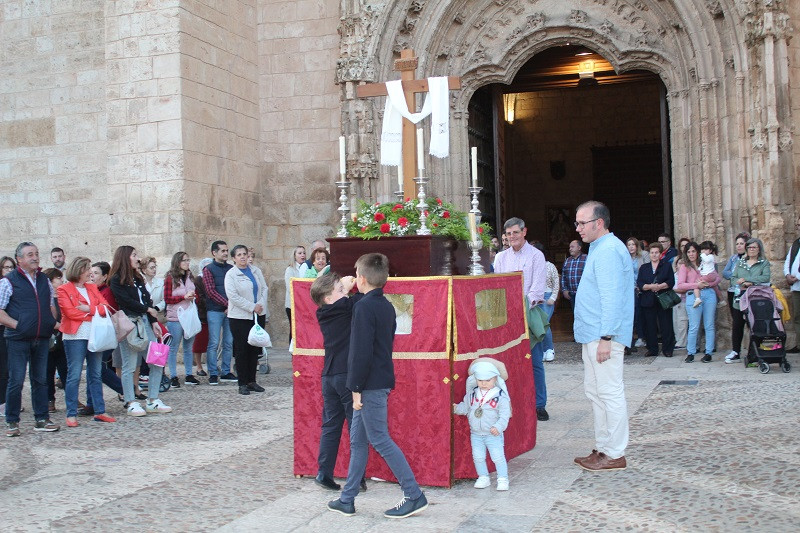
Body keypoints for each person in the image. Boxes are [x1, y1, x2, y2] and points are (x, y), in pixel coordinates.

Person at [327, 253, 428, 519]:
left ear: (360, 278)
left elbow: (360, 352)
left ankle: (414, 494)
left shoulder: (363, 307)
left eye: (355, 274)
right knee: (359, 441)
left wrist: (355, 387)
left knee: (380, 440)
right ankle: (347, 498)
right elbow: (366, 311)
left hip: (368, 384)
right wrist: (353, 293)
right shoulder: (384, 304)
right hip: (378, 380)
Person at [572, 201, 633, 472]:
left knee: (609, 392)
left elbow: (611, 297)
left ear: (599, 223)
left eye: (582, 223)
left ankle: (615, 452)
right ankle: (603, 447)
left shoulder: (608, 250)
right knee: (595, 391)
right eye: (576, 223)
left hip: (603, 334)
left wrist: (607, 337)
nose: (577, 229)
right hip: (593, 333)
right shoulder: (599, 248)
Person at [310, 271, 367, 492]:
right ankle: (357, 478)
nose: (346, 291)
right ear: (327, 298)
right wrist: (352, 286)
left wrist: (343, 289)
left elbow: (349, 300)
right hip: (346, 377)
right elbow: (364, 297)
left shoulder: (324, 312)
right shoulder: (344, 306)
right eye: (339, 290)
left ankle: (324, 472)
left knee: (331, 427)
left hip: (329, 376)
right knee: (356, 427)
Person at [1, 242, 60, 436]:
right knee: (16, 380)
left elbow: (51, 303)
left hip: (41, 338)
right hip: (18, 338)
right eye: (29, 255)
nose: (34, 257)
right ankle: (11, 421)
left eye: (36, 253)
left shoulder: (44, 279)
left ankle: (42, 419)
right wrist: (19, 325)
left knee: (41, 380)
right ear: (19, 259)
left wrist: (50, 322)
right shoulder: (8, 281)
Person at [493, 217, 549, 421]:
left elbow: (537, 289)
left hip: (528, 314)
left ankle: (539, 404)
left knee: (534, 362)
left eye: (515, 232)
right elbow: (497, 287)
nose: (512, 237)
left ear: (524, 232)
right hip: (506, 317)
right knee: (509, 362)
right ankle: (514, 403)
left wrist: (521, 307)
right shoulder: (500, 258)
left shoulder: (536, 256)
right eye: (508, 234)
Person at [109, 245, 171, 416]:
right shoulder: (116, 279)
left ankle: (152, 399)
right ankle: (130, 401)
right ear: (125, 258)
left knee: (156, 360)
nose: (138, 258)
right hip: (129, 323)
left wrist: (153, 321)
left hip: (144, 322)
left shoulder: (138, 277)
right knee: (129, 365)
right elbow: (125, 300)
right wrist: (147, 310)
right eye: (134, 255)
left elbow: (147, 300)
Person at [56, 257, 115, 426]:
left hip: (94, 335)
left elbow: (106, 308)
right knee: (74, 375)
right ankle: (71, 414)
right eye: (88, 268)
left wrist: (89, 309)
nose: (90, 272)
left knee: (95, 373)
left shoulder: (92, 288)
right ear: (79, 270)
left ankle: (100, 410)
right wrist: (94, 314)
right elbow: (70, 313)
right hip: (74, 337)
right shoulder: (63, 289)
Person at [453, 359, 511, 490]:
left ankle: (502, 479)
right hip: (476, 434)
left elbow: (504, 416)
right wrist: (456, 408)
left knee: (498, 457)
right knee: (478, 457)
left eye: (487, 380)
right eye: (480, 380)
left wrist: (498, 427)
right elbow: (466, 407)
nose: (483, 383)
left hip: (493, 433)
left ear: (495, 378)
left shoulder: (500, 397)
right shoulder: (472, 394)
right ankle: (483, 477)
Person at [224, 245, 268, 395]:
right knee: (242, 350)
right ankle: (242, 382)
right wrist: (252, 306)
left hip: (257, 315)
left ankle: (252, 380)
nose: (243, 257)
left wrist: (260, 304)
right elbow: (233, 296)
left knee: (254, 349)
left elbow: (264, 289)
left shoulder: (255, 271)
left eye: (244, 254)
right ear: (234, 258)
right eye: (239, 255)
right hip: (240, 317)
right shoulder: (231, 274)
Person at [727, 238, 772, 362]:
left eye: (754, 247)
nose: (751, 249)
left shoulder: (764, 263)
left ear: (759, 249)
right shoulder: (741, 262)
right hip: (740, 297)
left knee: (755, 324)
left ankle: (756, 351)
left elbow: (766, 277)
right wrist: (738, 281)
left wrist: (750, 281)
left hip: (756, 297)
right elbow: (733, 278)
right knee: (737, 324)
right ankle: (736, 351)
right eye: (749, 247)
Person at [675, 242, 719, 363]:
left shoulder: (706, 263)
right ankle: (691, 352)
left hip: (709, 293)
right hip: (693, 295)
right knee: (694, 326)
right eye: (689, 252)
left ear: (698, 252)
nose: (691, 254)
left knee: (709, 324)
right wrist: (696, 285)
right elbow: (681, 284)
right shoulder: (684, 266)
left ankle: (708, 352)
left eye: (693, 251)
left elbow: (717, 278)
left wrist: (708, 284)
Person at [203, 241, 237, 385]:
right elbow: (211, 291)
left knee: (228, 342)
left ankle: (226, 371)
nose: (225, 253)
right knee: (214, 342)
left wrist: (232, 305)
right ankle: (213, 372)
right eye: (222, 251)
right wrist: (227, 304)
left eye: (226, 250)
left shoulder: (232, 268)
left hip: (230, 311)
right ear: (214, 253)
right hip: (215, 311)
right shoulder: (208, 269)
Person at [163, 251, 199, 388]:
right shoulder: (170, 278)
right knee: (173, 347)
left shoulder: (190, 276)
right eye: (184, 260)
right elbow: (167, 299)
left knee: (188, 347)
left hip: (188, 315)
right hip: (175, 316)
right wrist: (183, 297)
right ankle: (173, 376)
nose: (187, 263)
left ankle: (189, 374)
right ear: (178, 262)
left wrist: (192, 296)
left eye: (188, 260)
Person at [637, 242, 676, 357]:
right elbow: (640, 283)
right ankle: (652, 349)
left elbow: (671, 282)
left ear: (660, 254)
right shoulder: (644, 268)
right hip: (648, 300)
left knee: (666, 325)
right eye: (652, 253)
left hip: (663, 299)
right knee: (650, 326)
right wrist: (650, 287)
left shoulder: (666, 266)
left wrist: (659, 286)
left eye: (656, 253)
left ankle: (668, 349)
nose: (654, 255)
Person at [722, 232, 750, 362]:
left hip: (748, 292)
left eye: (741, 243)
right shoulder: (733, 259)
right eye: (737, 244)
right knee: (737, 322)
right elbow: (725, 273)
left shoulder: (751, 259)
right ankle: (736, 351)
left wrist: (737, 276)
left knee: (751, 322)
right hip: (734, 292)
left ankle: (753, 350)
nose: (739, 246)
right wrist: (735, 276)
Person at [43, 268, 67, 414]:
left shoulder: (63, 296)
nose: (62, 280)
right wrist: (62, 326)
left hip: (63, 338)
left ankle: (71, 398)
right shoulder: (45, 298)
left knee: (65, 370)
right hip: (48, 338)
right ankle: (49, 400)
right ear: (51, 281)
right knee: (48, 371)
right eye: (58, 278)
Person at [533, 242, 558, 362]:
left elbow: (556, 283)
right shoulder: (532, 265)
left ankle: (549, 348)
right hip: (535, 298)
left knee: (545, 324)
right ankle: (542, 349)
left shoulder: (550, 266)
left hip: (547, 296)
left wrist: (553, 297)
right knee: (537, 324)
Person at [191, 258, 212, 377]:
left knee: (212, 342)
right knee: (199, 342)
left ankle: (211, 366)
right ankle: (199, 366)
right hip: (202, 315)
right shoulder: (199, 280)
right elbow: (200, 297)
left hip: (212, 313)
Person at [0, 256, 15, 414]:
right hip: (2, 329)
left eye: (11, 267)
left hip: (12, 329)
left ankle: (10, 400)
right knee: (3, 367)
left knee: (12, 368)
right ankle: (2, 402)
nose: (9, 270)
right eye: (6, 267)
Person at [626, 237, 647, 350]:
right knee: (633, 314)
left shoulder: (643, 255)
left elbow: (648, 270)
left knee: (641, 314)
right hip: (630, 289)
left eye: (633, 244)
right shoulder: (625, 258)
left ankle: (642, 337)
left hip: (642, 288)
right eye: (629, 245)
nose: (631, 247)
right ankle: (631, 338)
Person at [784, 216, 800, 353]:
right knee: (797, 317)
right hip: (796, 287)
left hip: (797, 282)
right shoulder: (796, 244)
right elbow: (788, 261)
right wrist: (787, 275)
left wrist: (797, 277)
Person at [692, 241, 725, 308]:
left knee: (696, 284)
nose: (703, 251)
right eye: (702, 249)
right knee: (715, 288)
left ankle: (697, 298)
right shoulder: (704, 258)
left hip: (709, 275)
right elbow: (701, 266)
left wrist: (702, 254)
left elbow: (706, 260)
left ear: (710, 250)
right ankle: (722, 300)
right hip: (709, 275)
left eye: (706, 249)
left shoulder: (710, 256)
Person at [284, 246, 306, 343]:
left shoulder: (307, 268)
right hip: (293, 304)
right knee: (294, 329)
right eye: (300, 253)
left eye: (304, 253)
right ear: (294, 255)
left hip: (304, 304)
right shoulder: (290, 270)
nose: (302, 255)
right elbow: (290, 288)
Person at [561, 239, 586, 311]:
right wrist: (564, 290)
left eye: (572, 247)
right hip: (571, 294)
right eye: (569, 247)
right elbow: (563, 277)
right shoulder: (567, 261)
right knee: (575, 314)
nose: (570, 249)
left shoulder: (587, 258)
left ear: (579, 248)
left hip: (584, 294)